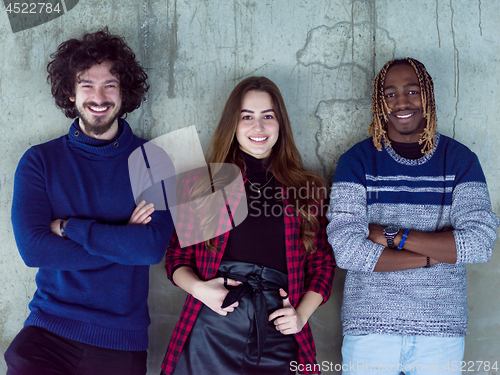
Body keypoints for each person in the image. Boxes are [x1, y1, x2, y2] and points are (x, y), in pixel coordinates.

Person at [5, 29, 174, 375]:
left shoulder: (151, 159)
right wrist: (121, 239)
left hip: (120, 342)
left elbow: (150, 249)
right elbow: (35, 251)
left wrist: (71, 228)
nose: (99, 96)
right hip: (46, 334)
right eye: (86, 84)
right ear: (70, 92)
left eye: (110, 84)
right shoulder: (39, 161)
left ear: (124, 91)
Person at [327, 57, 499, 374]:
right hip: (370, 328)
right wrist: (434, 256)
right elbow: (348, 249)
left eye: (412, 90)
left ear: (428, 95)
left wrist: (395, 235)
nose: (401, 102)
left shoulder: (459, 160)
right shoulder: (357, 161)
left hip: (441, 330)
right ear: (380, 103)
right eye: (390, 94)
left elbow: (479, 244)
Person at [160, 76, 335, 375]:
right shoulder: (206, 184)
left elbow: (322, 266)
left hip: (279, 329)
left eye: (268, 116)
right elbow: (177, 258)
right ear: (233, 124)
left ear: (281, 124)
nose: (258, 127)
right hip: (214, 326)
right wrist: (201, 290)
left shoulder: (305, 188)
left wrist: (301, 316)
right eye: (247, 117)